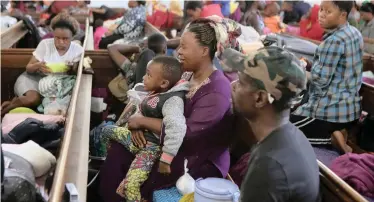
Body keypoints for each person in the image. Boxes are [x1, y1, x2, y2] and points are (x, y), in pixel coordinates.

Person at [99, 19, 233, 202]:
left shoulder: (217, 89)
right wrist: (139, 121)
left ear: (204, 51)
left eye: (184, 47)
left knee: (136, 171)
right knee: (118, 151)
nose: (178, 52)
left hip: (197, 158)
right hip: (168, 141)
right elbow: (157, 101)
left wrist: (142, 122)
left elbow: (189, 133)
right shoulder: (187, 74)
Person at [223, 46, 320, 202]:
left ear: (260, 98)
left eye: (240, 82)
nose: (233, 85)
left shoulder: (269, 166)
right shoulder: (290, 134)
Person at [101, 56, 188, 201]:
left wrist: (166, 159)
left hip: (151, 148)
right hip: (137, 138)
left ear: (164, 83)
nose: (143, 77)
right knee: (106, 131)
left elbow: (177, 128)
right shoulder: (156, 91)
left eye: (148, 75)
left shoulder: (173, 100)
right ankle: (103, 158)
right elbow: (142, 111)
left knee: (130, 186)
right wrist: (137, 126)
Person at [291, 1, 363, 153]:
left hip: (330, 112)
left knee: (285, 127)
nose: (321, 14)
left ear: (343, 15)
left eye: (328, 12)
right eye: (321, 9)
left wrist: (297, 71)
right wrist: (312, 65)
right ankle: (335, 132)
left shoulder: (333, 41)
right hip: (350, 109)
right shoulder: (354, 33)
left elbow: (319, 82)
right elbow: (339, 71)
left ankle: (331, 137)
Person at [1, 13, 83, 116]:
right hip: (33, 79)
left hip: (53, 86)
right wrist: (38, 65)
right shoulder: (45, 44)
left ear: (72, 37)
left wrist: (72, 67)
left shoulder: (77, 50)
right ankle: (3, 112)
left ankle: (13, 103)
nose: (61, 42)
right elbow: (28, 69)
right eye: (57, 38)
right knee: (33, 99)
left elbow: (77, 71)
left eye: (65, 38)